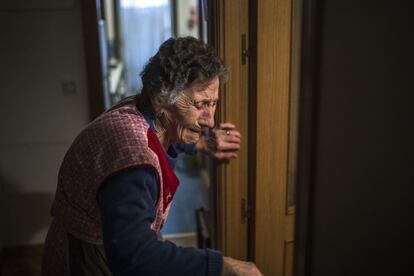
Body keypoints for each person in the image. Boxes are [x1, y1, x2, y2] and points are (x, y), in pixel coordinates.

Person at [42, 37, 262, 276]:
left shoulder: (143, 111)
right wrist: (221, 266)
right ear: (160, 99)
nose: (210, 120)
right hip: (88, 258)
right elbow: (135, 256)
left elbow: (163, 137)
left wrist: (203, 143)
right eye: (200, 104)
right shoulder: (133, 160)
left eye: (213, 103)